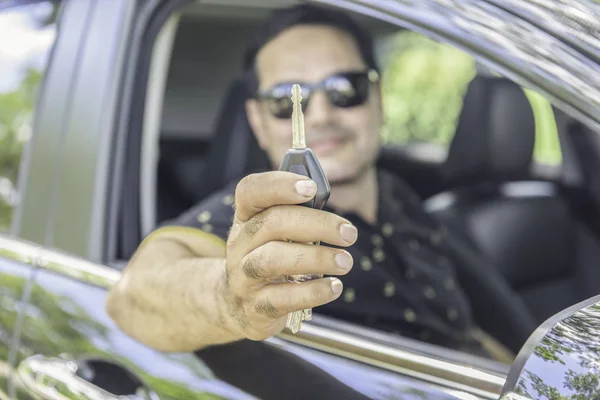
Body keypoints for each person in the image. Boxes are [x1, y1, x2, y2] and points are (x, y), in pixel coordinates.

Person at [106, 4, 520, 363]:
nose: (320, 115)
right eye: (287, 100)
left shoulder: (402, 195)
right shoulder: (248, 219)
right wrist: (228, 296)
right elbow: (133, 296)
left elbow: (464, 330)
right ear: (258, 121)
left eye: (345, 89)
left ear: (378, 99)